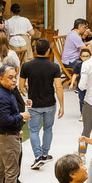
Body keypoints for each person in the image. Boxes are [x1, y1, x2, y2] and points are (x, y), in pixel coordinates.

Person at [0, 64, 31, 183]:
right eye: (10, 77)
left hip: (5, 136)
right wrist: (21, 116)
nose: (14, 80)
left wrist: (17, 126)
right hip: (8, 138)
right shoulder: (2, 96)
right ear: (1, 78)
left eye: (15, 77)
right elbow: (4, 120)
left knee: (1, 169)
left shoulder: (7, 91)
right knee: (11, 171)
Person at [20, 38, 64, 170]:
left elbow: (20, 86)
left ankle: (38, 156)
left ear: (35, 50)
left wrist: (27, 91)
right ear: (48, 51)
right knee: (48, 129)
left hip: (33, 104)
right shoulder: (54, 67)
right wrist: (62, 105)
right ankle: (45, 154)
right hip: (50, 103)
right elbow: (59, 87)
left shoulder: (26, 66)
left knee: (33, 130)